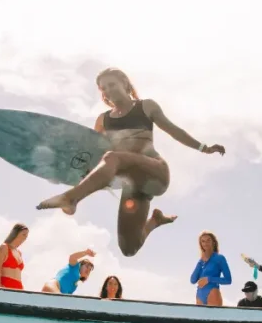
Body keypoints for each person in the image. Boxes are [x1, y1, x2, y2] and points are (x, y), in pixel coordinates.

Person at [37, 68, 226, 257]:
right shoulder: (103, 120)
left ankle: (71, 198)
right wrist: (62, 173)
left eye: (111, 84)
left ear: (125, 84)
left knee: (113, 157)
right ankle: (155, 221)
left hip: (155, 172)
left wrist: (204, 148)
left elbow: (173, 130)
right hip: (132, 186)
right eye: (103, 88)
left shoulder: (146, 107)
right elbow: (93, 156)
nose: (108, 91)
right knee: (129, 248)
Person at [190, 231, 232, 306]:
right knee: (199, 318)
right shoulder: (201, 261)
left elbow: (228, 280)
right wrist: (200, 262)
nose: (205, 243)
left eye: (208, 240)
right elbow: (193, 280)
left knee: (213, 318)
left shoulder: (220, 258)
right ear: (201, 244)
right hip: (199, 295)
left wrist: (209, 279)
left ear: (213, 242)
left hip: (212, 292)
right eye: (203, 241)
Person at [0, 223, 28, 290]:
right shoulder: (4, 247)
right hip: (6, 287)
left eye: (26, 236)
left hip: (19, 288)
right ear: (16, 233)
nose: (25, 238)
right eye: (23, 234)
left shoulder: (19, 253)